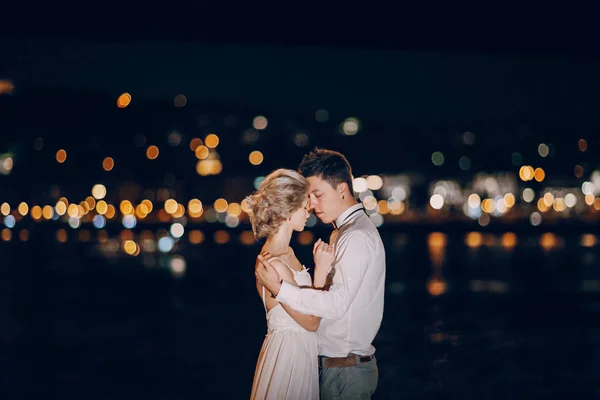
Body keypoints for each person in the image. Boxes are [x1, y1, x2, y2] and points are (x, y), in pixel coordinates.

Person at [256, 148, 386, 399]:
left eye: (316, 195)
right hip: (329, 366)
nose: (311, 205)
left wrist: (281, 288)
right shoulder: (343, 233)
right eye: (307, 198)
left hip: (344, 370)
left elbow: (335, 304)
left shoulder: (355, 236)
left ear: (341, 189)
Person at [248, 168, 336, 400]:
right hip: (289, 356)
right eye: (304, 206)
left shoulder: (286, 252)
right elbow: (312, 321)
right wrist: (321, 271)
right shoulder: (273, 263)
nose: (309, 212)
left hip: (299, 351)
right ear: (288, 210)